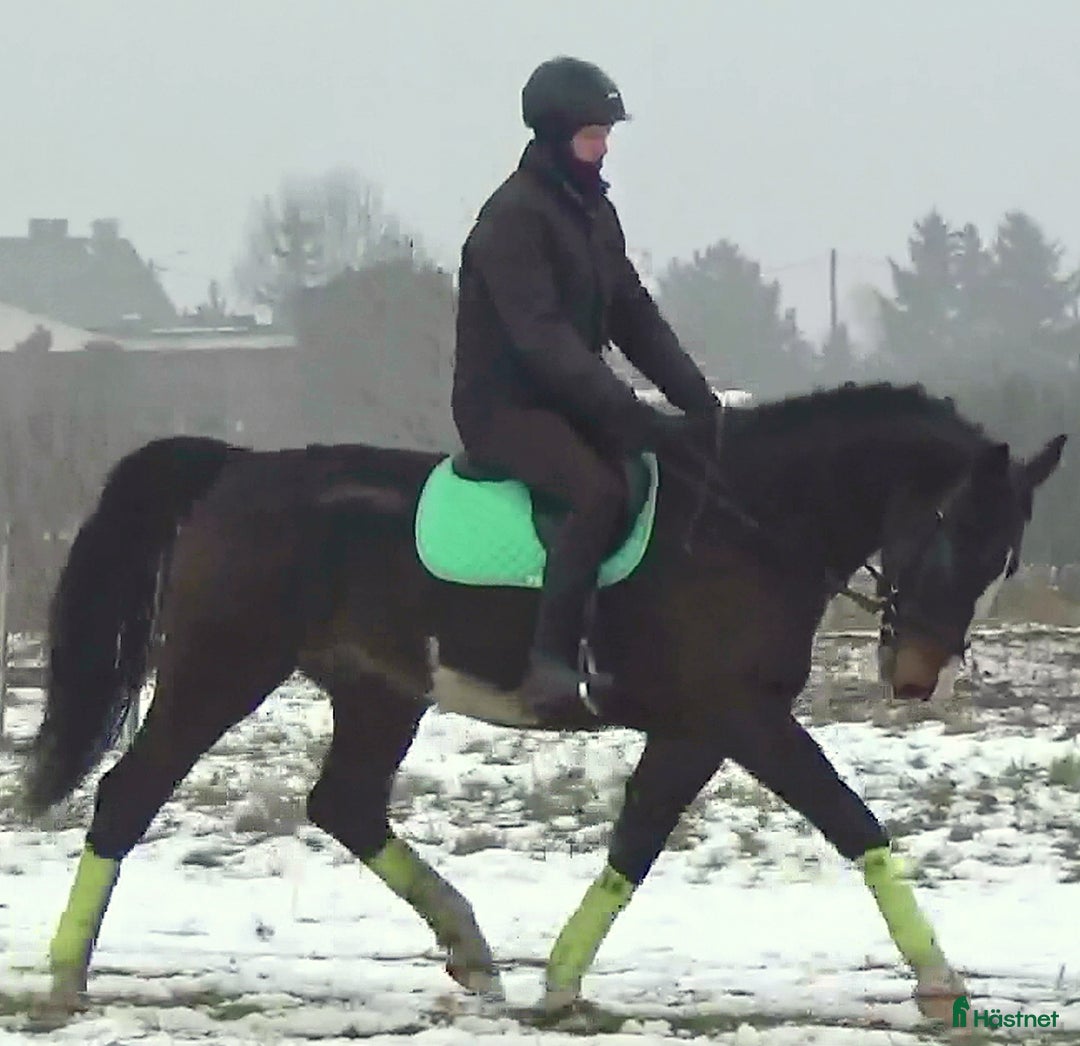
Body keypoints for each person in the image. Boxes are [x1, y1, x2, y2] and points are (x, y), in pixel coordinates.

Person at [451, 55, 720, 718]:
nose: (604, 148)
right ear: (554, 136)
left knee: (661, 474)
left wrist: (698, 401)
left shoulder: (594, 214)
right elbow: (541, 341)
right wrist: (628, 413)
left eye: (606, 135)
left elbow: (634, 315)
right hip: (505, 409)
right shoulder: (512, 219)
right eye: (592, 136)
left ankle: (627, 647)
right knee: (596, 492)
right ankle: (550, 664)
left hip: (568, 400)